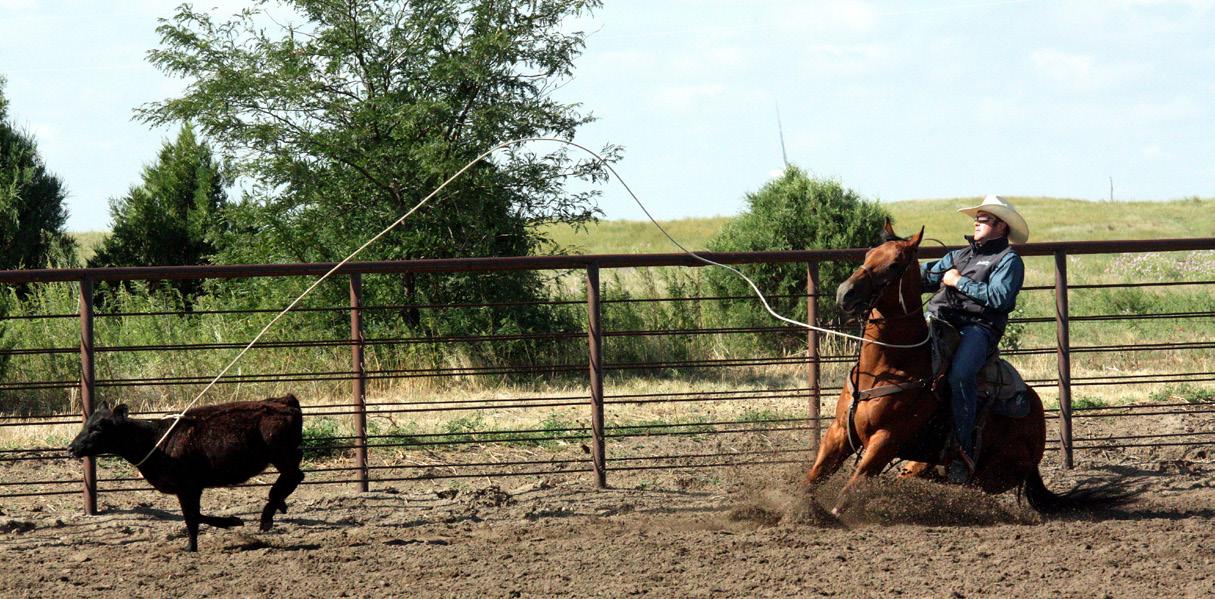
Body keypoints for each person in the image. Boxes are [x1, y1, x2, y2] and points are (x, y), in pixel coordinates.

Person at [921, 195, 1028, 484]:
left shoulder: (1008, 260)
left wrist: (958, 282)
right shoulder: (958, 256)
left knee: (960, 375)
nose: (976, 223)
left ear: (1001, 226)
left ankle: (963, 451)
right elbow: (926, 275)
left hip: (978, 328)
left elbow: (999, 298)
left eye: (983, 219)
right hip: (941, 320)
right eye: (977, 219)